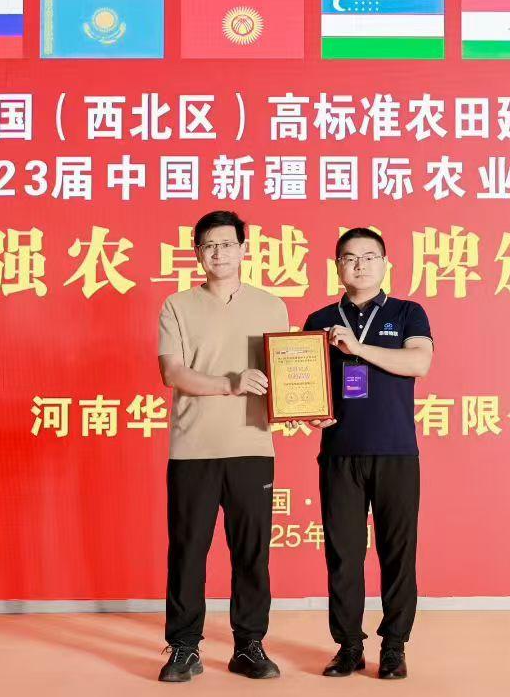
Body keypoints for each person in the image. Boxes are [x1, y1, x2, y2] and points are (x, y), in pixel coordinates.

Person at [155, 210, 288, 683]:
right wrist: (231, 384)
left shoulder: (272, 307)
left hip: (252, 445)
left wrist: (307, 404)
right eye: (209, 245)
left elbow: (285, 373)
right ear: (197, 253)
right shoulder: (177, 305)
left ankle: (249, 645)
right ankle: (184, 647)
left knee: (252, 552)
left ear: (243, 249)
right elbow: (172, 373)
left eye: (227, 244)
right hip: (193, 448)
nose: (219, 253)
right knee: (188, 550)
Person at [297, 227, 434, 680]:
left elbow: (418, 362)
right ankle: (349, 646)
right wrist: (308, 411)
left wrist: (357, 348)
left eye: (369, 256)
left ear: (385, 263)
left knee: (398, 554)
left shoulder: (408, 312)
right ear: (337, 265)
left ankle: (394, 646)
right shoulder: (319, 319)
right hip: (339, 453)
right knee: (343, 555)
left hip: (396, 452)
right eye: (350, 257)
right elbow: (304, 381)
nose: (360, 265)